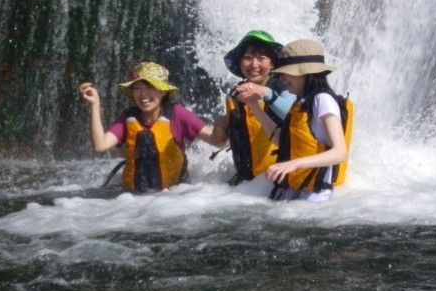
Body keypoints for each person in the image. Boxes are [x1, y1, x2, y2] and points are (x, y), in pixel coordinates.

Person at [79, 61, 223, 192]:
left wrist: (225, 120)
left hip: (175, 198)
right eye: (137, 88)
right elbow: (100, 145)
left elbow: (216, 141)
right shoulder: (128, 118)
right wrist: (94, 104)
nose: (143, 95)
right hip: (130, 200)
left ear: (163, 90)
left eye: (150, 87)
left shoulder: (178, 114)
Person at [245, 39, 353, 201]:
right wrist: (253, 105)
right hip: (292, 196)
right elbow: (283, 141)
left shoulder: (323, 100)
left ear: (305, 73)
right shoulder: (301, 103)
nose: (281, 78)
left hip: (314, 200)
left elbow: (340, 152)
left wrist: (294, 164)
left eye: (286, 72)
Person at [212, 30, 296, 184]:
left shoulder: (284, 86)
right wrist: (223, 122)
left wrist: (266, 93)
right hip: (248, 185)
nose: (254, 64)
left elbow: (295, 116)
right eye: (248, 58)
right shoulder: (236, 93)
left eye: (261, 58)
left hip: (279, 180)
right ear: (240, 63)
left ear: (272, 63)